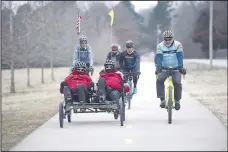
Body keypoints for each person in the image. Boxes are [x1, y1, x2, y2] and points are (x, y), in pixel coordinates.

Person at [155, 30, 186, 110]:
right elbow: (159, 57)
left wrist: (180, 67)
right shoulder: (160, 46)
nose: (168, 41)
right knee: (159, 80)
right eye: (166, 39)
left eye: (169, 39)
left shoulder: (178, 45)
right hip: (164, 68)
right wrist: (159, 67)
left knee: (177, 83)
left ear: (172, 38)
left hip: (176, 68)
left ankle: (177, 101)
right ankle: (162, 100)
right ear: (163, 39)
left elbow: (180, 56)